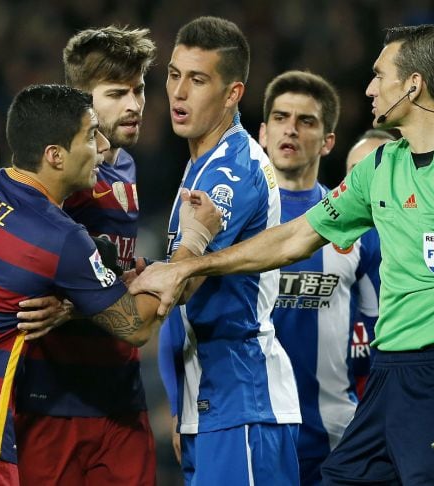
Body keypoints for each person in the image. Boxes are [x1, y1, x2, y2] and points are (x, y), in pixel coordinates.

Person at [132, 24, 434, 485]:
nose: (369, 88)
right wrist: (192, 266)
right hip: (386, 378)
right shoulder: (380, 167)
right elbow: (294, 237)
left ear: (414, 84)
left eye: (380, 76)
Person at [0, 84, 219, 485]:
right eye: (90, 134)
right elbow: (137, 326)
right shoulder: (57, 236)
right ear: (55, 156)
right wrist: (193, 245)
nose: (100, 144)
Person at [14, 26, 159, 485]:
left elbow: (108, 272)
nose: (134, 104)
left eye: (138, 90)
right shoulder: (57, 177)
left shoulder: (126, 165)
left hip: (120, 396)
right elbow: (23, 272)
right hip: (54, 402)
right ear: (80, 100)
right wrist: (76, 304)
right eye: (116, 93)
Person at [159, 16, 301, 486]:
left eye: (198, 80)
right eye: (174, 74)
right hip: (212, 403)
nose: (179, 92)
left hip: (243, 401)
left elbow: (181, 284)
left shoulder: (230, 172)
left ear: (233, 93)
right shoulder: (202, 163)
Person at [258, 71, 383, 484]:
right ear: (262, 132)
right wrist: (178, 407)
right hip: (253, 429)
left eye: (306, 121)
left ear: (328, 142)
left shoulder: (357, 226)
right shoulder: (230, 219)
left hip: (335, 437)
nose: (290, 128)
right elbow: (185, 323)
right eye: (280, 117)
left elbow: (384, 332)